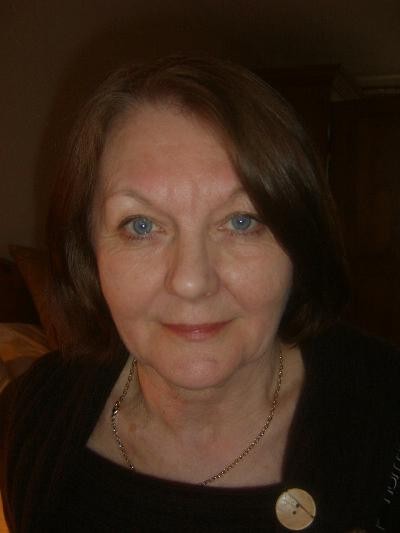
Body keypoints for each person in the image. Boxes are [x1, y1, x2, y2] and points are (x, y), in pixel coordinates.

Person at [1, 55, 399, 533]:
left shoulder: (385, 414)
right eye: (141, 226)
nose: (191, 282)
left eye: (242, 221)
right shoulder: (38, 411)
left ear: (299, 242)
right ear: (89, 252)